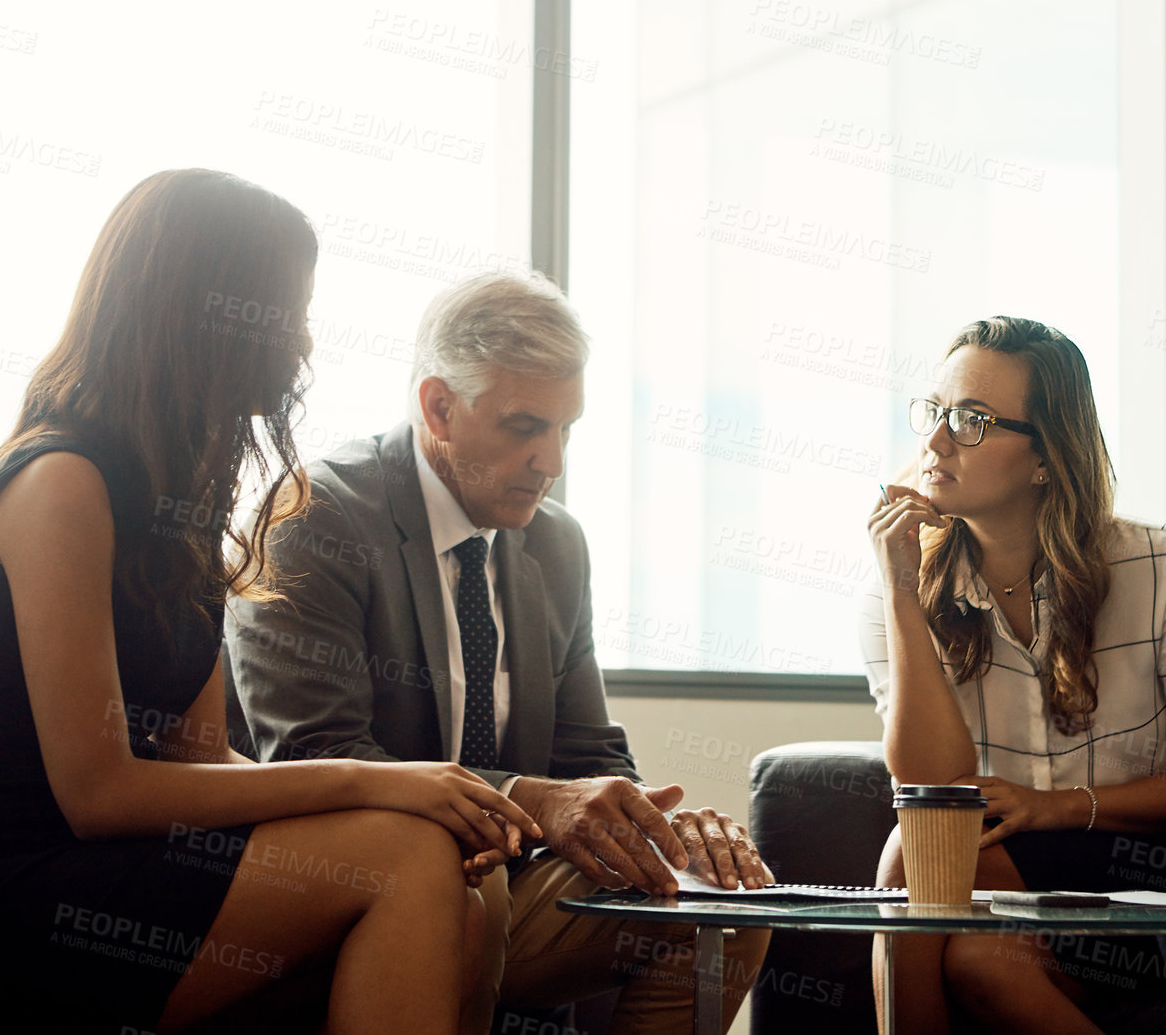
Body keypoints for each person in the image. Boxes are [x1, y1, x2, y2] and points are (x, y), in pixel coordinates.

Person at [0, 169, 536, 1035]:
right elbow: (98, 791)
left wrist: (401, 796)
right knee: (403, 852)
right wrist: (376, 781)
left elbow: (201, 756)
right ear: (213, 313)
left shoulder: (179, 499)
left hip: (103, 857)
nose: (304, 347)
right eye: (294, 315)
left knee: (463, 866)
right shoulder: (62, 483)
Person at [225, 269, 771, 1033]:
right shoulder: (314, 519)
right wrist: (527, 794)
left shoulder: (556, 541)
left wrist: (662, 829)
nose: (552, 461)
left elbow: (587, 750)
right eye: (524, 427)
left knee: (724, 903)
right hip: (356, 882)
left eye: (565, 428)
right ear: (439, 407)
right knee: (458, 889)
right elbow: (314, 754)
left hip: (511, 880)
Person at [861, 316, 1166, 1034]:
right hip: (1007, 869)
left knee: (921, 856)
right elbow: (931, 788)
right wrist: (898, 589)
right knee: (964, 933)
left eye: (972, 419)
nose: (933, 441)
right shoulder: (898, 585)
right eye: (934, 411)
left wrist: (1057, 805)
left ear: (1045, 457)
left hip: (1153, 871)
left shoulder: (1158, 564)